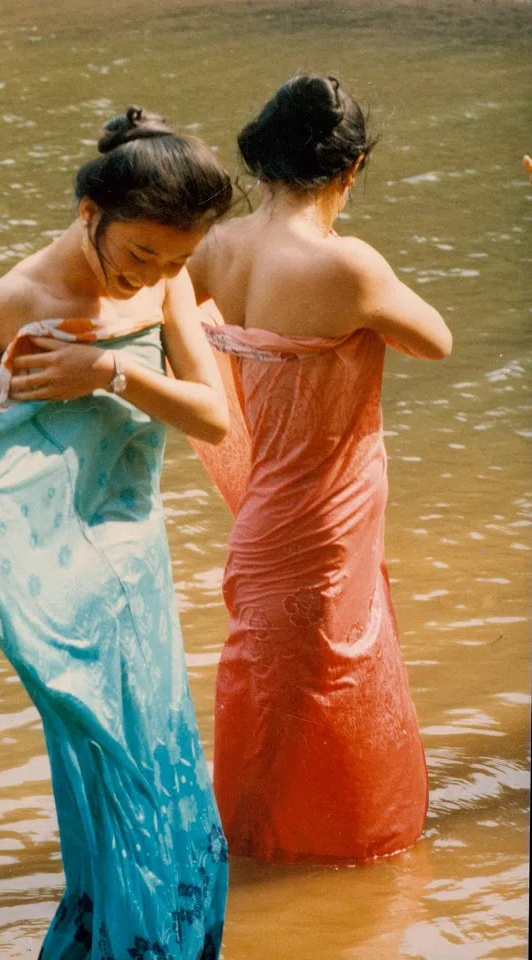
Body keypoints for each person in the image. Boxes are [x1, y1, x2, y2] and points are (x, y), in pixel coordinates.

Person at [0, 107, 232, 958]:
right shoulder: (11, 305)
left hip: (140, 573)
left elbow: (212, 417)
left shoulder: (166, 280)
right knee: (118, 796)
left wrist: (106, 371)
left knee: (174, 793)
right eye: (140, 254)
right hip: (58, 599)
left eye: (175, 260)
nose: (153, 275)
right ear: (89, 213)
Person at [187, 75, 452, 864]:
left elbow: (154, 325)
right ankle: (344, 857)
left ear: (263, 158)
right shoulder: (351, 267)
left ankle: (257, 862)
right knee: (331, 695)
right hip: (328, 527)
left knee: (267, 705)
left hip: (260, 525)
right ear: (351, 168)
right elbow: (436, 341)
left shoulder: (214, 250)